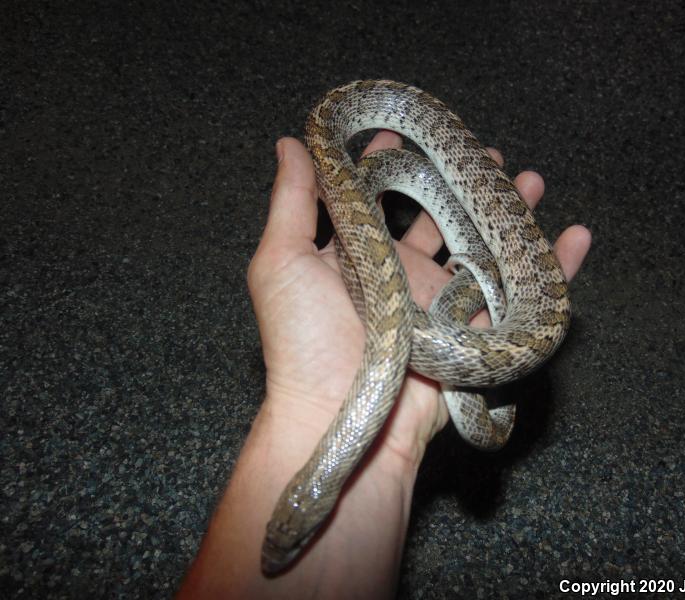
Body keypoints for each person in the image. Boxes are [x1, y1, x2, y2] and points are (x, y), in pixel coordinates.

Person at [177, 132, 592, 599]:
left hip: (488, 305)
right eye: (292, 538)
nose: (282, 550)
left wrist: (481, 292)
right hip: (450, 302)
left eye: (288, 536)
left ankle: (481, 289)